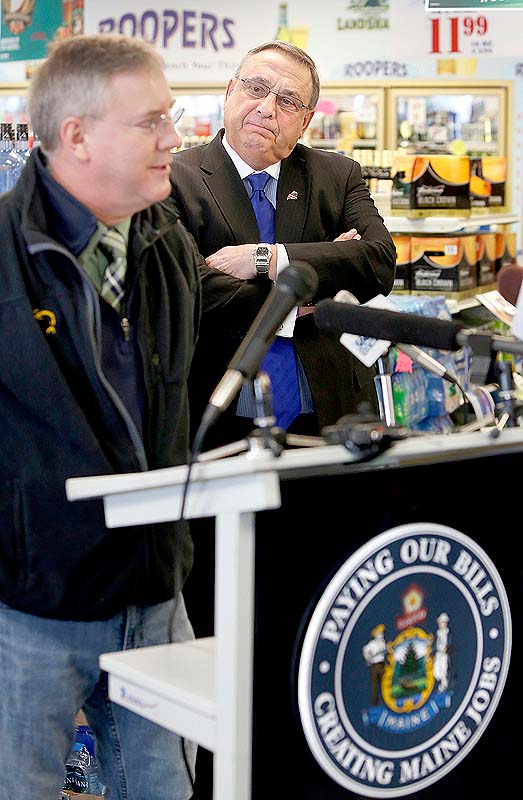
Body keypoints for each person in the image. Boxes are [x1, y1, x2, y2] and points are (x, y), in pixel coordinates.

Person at [0, 34, 203, 799]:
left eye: (171, 117)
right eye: (151, 120)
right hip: (31, 608)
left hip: (153, 599)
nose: (173, 138)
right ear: (76, 135)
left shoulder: (167, 245)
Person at [169, 40, 396, 450]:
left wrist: (267, 258)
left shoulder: (336, 175)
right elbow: (191, 288)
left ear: (306, 120)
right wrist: (315, 290)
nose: (267, 108)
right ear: (229, 92)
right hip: (215, 405)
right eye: (255, 88)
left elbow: (378, 263)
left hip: (329, 406)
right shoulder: (173, 178)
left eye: (288, 100)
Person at [362, 623, 387, 706]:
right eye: (380, 633)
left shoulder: (383, 643)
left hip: (382, 665)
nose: (381, 635)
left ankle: (386, 701)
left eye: (382, 633)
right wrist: (368, 658)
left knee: (384, 683)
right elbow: (365, 650)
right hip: (375, 666)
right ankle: (375, 704)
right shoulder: (372, 644)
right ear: (376, 634)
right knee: (375, 686)